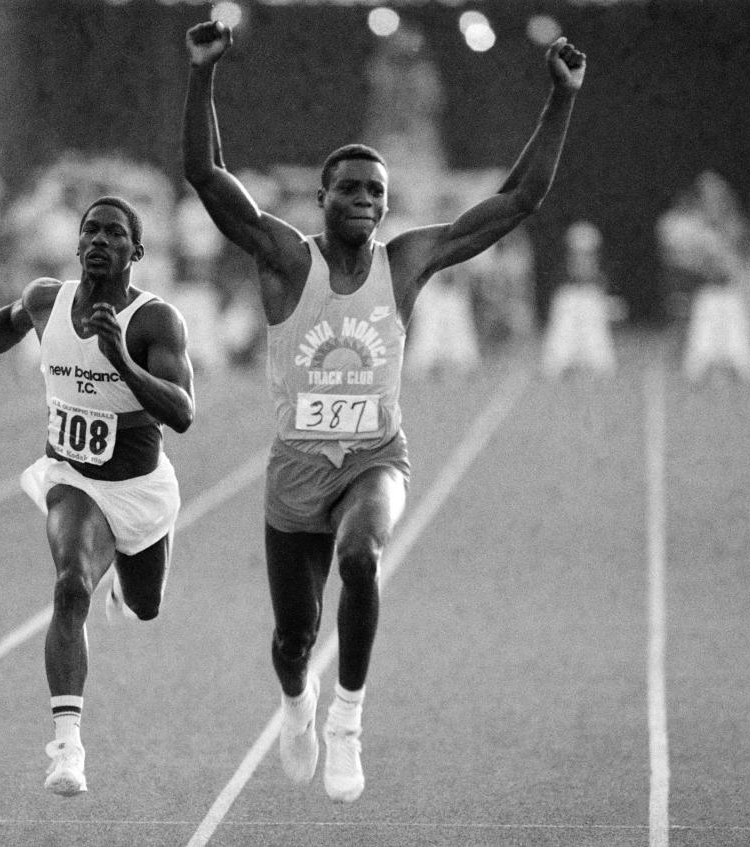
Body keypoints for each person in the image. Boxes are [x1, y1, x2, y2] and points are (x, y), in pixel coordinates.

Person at [181, 21, 584, 802]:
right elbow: (205, 172)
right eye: (351, 188)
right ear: (323, 197)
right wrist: (202, 76)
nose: (366, 200)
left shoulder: (409, 261)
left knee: (363, 556)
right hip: (296, 470)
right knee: (293, 639)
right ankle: (300, 702)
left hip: (375, 458)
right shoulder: (285, 258)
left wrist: (560, 100)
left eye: (378, 191)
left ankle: (347, 721)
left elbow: (519, 198)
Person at [0, 196, 195, 796]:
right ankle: (67, 747)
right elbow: (5, 322)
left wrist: (120, 358)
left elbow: (181, 413)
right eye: (90, 231)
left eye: (115, 233)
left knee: (146, 605)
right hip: (72, 479)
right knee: (71, 584)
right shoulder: (49, 298)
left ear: (137, 251)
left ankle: (127, 579)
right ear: (77, 245)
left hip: (141, 488)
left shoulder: (156, 323)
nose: (100, 240)